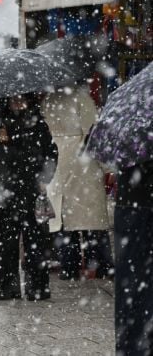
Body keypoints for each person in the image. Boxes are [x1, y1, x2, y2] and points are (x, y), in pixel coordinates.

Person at [0, 94, 58, 301]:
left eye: (21, 99)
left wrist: (45, 178)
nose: (17, 102)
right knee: (7, 243)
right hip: (6, 191)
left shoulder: (39, 125)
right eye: (13, 99)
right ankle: (8, 286)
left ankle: (37, 286)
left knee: (36, 241)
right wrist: (0, 143)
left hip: (32, 190)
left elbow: (51, 153)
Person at [42, 85, 114, 280]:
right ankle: (100, 264)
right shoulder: (82, 98)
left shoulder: (47, 99)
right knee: (91, 218)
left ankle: (69, 266)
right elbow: (93, 133)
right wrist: (108, 166)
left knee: (64, 218)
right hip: (82, 161)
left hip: (57, 160)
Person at [114, 161, 153, 355]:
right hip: (133, 205)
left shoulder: (126, 133)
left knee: (131, 284)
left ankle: (132, 345)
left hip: (130, 203)